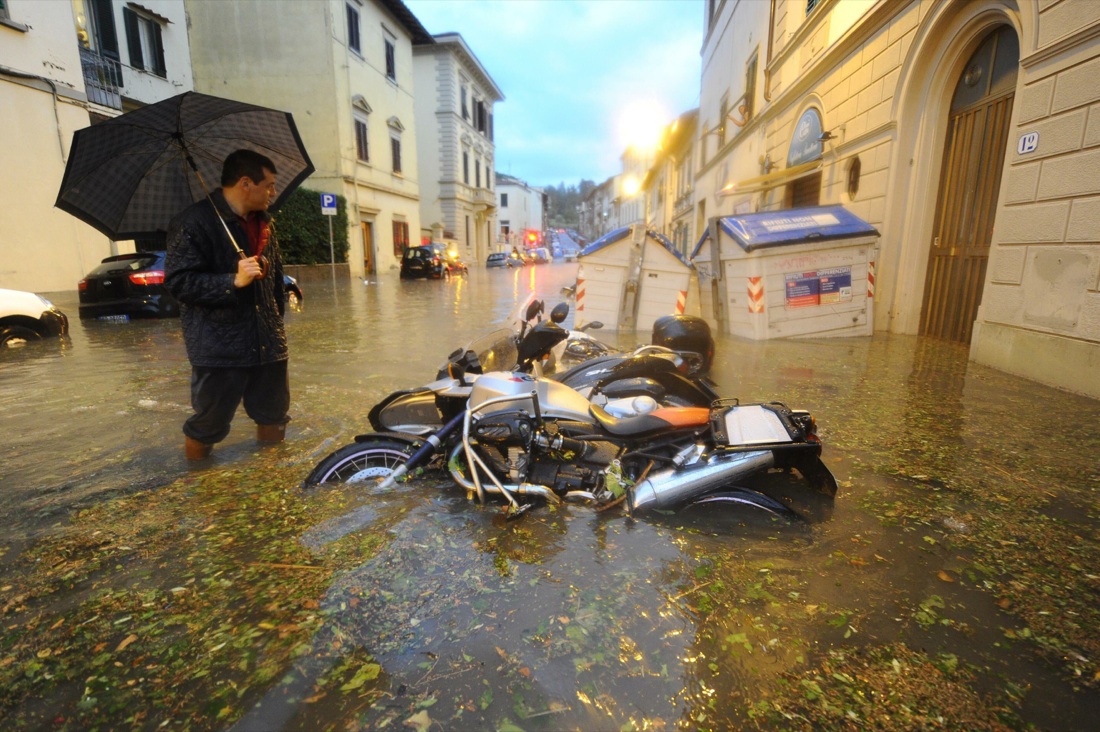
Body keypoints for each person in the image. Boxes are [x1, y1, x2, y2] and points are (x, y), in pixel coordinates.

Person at [165, 149, 290, 460]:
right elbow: (178, 283)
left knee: (274, 414)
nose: (273, 193)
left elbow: (276, 281)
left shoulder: (266, 224)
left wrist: (276, 323)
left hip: (268, 344)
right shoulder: (194, 222)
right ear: (246, 183)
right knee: (209, 424)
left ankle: (273, 474)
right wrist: (231, 281)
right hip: (219, 348)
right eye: (269, 185)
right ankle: (197, 479)